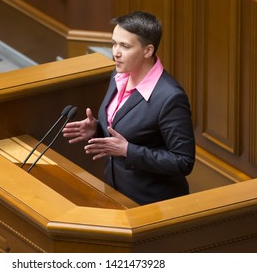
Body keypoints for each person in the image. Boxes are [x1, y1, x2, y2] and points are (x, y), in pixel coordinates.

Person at [62, 11, 195, 205]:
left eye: (124, 46)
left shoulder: (170, 97)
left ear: (148, 51)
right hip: (115, 192)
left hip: (152, 204)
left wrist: (128, 150)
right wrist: (98, 128)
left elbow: (183, 161)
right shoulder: (118, 77)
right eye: (114, 43)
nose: (115, 52)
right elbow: (128, 128)